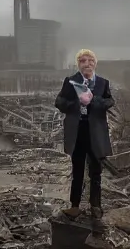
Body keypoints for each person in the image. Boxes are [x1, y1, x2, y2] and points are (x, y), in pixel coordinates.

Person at [54, 48, 115, 223]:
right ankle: (75, 206)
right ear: (78, 64)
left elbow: (110, 101)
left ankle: (96, 206)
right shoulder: (70, 81)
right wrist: (76, 102)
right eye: (82, 61)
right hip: (77, 131)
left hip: (95, 133)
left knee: (95, 171)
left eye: (90, 60)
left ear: (95, 63)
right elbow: (59, 102)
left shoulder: (103, 83)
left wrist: (93, 100)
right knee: (78, 170)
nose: (86, 63)